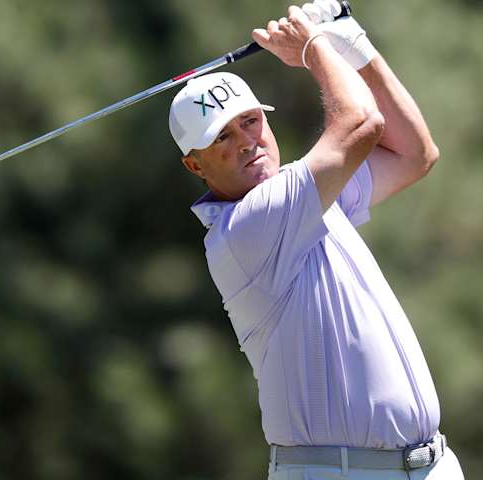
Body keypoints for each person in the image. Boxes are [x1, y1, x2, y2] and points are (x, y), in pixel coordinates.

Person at [168, 1, 465, 478]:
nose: (246, 140)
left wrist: (355, 46)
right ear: (195, 165)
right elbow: (361, 124)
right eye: (221, 137)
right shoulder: (247, 227)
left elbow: (415, 154)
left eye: (250, 121)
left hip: (428, 464)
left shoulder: (303, 197)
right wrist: (313, 45)